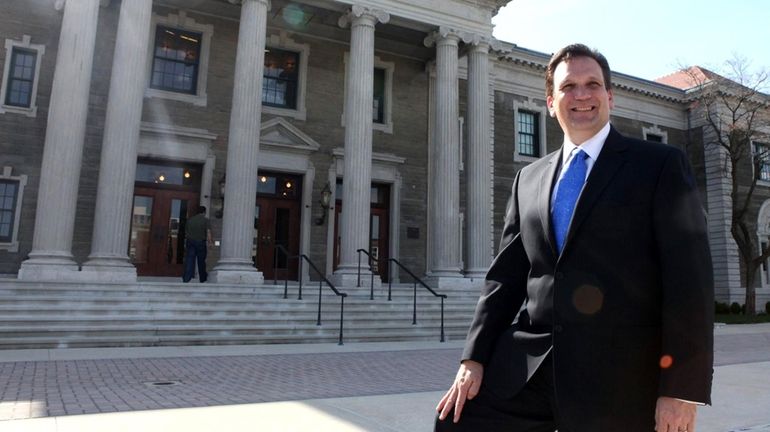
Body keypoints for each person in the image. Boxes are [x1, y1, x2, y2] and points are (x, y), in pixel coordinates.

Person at [435, 43, 714, 432]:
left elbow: (690, 283)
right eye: (569, 87)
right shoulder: (527, 180)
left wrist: (681, 390)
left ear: (609, 97)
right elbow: (505, 279)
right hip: (533, 366)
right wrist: (473, 358)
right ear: (551, 102)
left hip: (619, 374)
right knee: (455, 419)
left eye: (592, 84)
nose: (581, 95)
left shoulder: (659, 166)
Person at [183, 205, 213, 283]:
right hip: (200, 242)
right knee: (201, 261)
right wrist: (210, 243)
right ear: (204, 212)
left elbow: (186, 233)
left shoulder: (190, 220)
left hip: (190, 242)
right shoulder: (205, 220)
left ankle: (186, 278)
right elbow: (208, 232)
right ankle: (203, 279)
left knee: (190, 260)